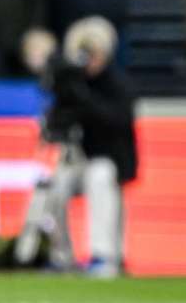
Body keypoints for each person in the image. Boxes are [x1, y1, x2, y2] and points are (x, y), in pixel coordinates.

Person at [34, 16, 137, 277]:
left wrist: (85, 100)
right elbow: (55, 122)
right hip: (76, 158)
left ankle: (104, 255)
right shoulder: (71, 82)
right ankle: (61, 255)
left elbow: (117, 120)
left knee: (100, 176)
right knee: (55, 184)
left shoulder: (116, 84)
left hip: (108, 158)